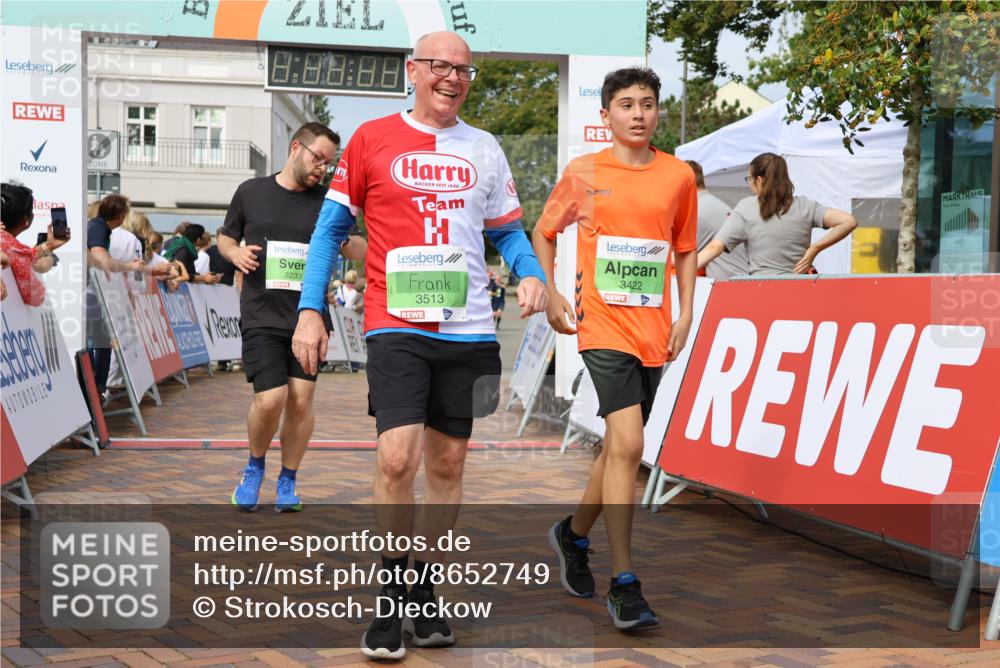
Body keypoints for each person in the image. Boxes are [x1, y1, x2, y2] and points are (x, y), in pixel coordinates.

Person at [292, 31, 548, 659]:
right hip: (395, 322)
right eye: (440, 66)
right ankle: (388, 602)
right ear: (414, 71)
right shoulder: (371, 139)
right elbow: (329, 234)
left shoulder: (485, 148)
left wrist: (532, 271)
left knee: (447, 466)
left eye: (463, 70)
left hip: (468, 329)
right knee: (395, 460)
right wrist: (309, 310)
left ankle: (423, 591)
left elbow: (509, 235)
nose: (452, 77)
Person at [532, 67, 697, 630]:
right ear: (606, 116)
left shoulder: (678, 176)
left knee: (617, 453)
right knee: (630, 441)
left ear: (656, 112)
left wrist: (687, 312)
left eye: (647, 104)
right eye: (625, 104)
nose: (637, 113)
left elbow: (685, 249)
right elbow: (544, 232)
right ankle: (625, 583)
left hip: (653, 329)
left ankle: (573, 536)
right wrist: (552, 291)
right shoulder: (583, 172)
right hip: (599, 326)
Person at [219, 122, 366, 513]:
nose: (322, 168)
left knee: (301, 400)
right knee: (271, 400)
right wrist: (234, 255)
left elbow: (360, 247)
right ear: (296, 147)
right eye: (318, 158)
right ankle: (253, 467)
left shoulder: (329, 201)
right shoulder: (251, 191)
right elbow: (225, 237)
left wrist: (346, 242)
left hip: (310, 315)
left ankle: (288, 479)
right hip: (262, 312)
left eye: (329, 164)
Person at [697, 152, 858, 275]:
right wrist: (814, 249)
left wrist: (685, 267)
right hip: (799, 288)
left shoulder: (746, 207)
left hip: (762, 288)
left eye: (749, 179)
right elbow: (848, 221)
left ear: (759, 180)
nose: (750, 184)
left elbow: (715, 247)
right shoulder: (805, 206)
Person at [86, 194, 171, 393]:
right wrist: (131, 267)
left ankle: (97, 390)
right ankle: (94, 391)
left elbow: (117, 265)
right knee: (94, 344)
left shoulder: (103, 229)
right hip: (96, 296)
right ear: (121, 215)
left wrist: (149, 271)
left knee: (101, 344)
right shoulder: (98, 228)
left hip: (103, 296)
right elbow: (104, 261)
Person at [1, 182, 71, 306]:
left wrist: (49, 246)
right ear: (26, 220)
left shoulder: (12, 246)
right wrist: (48, 258)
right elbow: (36, 296)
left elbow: (23, 254)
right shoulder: (12, 248)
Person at [685, 160, 749, 279]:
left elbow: (683, 257)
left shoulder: (697, 211)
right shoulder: (709, 202)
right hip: (740, 278)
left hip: (728, 284)